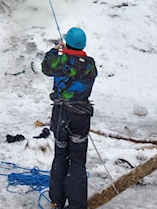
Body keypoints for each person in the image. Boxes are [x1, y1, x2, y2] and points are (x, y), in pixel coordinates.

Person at [41, 27, 97, 209]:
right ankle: (77, 204)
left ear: (69, 43)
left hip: (61, 115)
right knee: (78, 161)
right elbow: (79, 66)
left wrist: (56, 49)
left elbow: (45, 66)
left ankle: (57, 198)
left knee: (60, 156)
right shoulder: (90, 64)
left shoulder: (59, 61)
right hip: (81, 117)